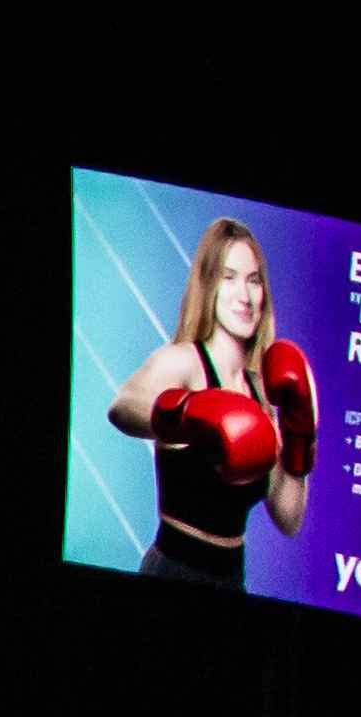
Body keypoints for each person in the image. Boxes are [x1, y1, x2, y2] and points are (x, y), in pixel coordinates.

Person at [110, 211, 315, 588]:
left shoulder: (263, 392)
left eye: (254, 281)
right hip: (172, 568)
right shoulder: (185, 362)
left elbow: (288, 519)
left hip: (232, 578)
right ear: (209, 285)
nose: (245, 295)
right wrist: (193, 412)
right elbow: (122, 407)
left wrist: (300, 439)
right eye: (229, 277)